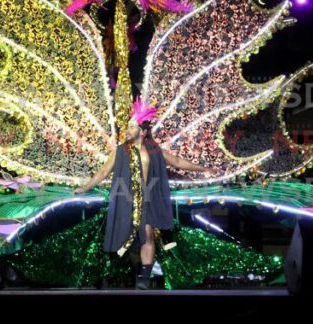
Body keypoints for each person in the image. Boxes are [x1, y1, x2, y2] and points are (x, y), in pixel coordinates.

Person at [75, 112, 213, 289]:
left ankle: (144, 278)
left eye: (132, 127)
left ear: (143, 131)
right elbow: (103, 172)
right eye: (127, 126)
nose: (127, 130)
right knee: (130, 243)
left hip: (150, 200)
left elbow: (178, 161)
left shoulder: (155, 151)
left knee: (147, 234)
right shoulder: (121, 151)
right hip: (127, 199)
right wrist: (85, 187)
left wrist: (204, 168)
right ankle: (140, 269)